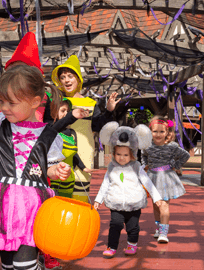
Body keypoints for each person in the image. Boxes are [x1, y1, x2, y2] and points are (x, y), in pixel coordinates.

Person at [0, 65, 87, 270]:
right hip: (1, 206)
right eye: (2, 100)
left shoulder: (49, 135)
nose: (4, 107)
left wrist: (55, 171)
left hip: (32, 207)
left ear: (35, 102)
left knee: (24, 265)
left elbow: (44, 168)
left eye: (11, 102)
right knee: (7, 265)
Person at [51, 55, 121, 203]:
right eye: (63, 77)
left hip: (84, 155)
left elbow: (97, 126)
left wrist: (108, 110)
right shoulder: (55, 102)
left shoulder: (90, 103)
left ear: (78, 79)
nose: (66, 80)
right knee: (59, 199)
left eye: (70, 76)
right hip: (59, 155)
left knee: (80, 199)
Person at [94, 122, 163, 258]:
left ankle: (132, 244)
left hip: (133, 203)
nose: (122, 157)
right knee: (115, 224)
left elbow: (147, 182)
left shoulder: (137, 167)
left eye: (125, 155)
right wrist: (98, 199)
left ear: (132, 155)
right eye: (119, 154)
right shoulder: (111, 167)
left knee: (133, 227)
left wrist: (157, 197)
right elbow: (105, 184)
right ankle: (112, 246)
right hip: (116, 202)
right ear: (114, 153)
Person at [142, 116, 190, 244]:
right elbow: (143, 156)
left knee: (164, 204)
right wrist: (145, 164)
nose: (158, 134)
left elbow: (185, 155)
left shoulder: (172, 146)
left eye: (162, 132)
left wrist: (176, 166)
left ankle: (164, 233)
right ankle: (158, 228)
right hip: (152, 177)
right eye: (155, 131)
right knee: (156, 205)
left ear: (167, 133)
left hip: (165, 178)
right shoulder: (147, 145)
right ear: (150, 131)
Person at [49, 99, 96, 198]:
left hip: (69, 177)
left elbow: (74, 152)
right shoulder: (50, 131)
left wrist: (83, 168)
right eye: (62, 110)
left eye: (67, 111)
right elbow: (55, 129)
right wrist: (71, 116)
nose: (65, 113)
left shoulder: (70, 132)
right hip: (54, 177)